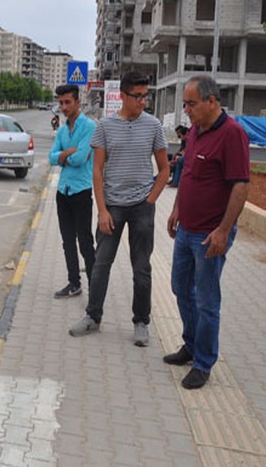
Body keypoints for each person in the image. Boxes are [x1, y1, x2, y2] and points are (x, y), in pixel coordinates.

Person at [69, 71, 169, 346]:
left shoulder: (154, 126)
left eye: (145, 96)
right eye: (137, 96)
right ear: (123, 96)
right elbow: (98, 169)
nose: (142, 102)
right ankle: (93, 316)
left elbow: (164, 171)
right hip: (111, 205)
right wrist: (102, 210)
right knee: (101, 264)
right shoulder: (105, 126)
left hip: (141, 207)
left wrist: (150, 201)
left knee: (141, 269)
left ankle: (140, 322)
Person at [165, 76, 249, 390]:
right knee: (179, 287)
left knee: (206, 300)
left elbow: (240, 186)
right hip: (186, 228)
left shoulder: (232, 135)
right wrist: (175, 209)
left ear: (211, 101)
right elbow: (187, 174)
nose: (186, 110)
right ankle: (191, 344)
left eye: (191, 104)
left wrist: (223, 231)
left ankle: (203, 363)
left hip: (210, 235)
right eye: (185, 103)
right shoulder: (196, 132)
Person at [49, 84, 96, 299]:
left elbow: (81, 158)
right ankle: (74, 283)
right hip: (63, 191)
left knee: (85, 241)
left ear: (78, 101)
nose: (64, 106)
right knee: (67, 240)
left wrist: (64, 155)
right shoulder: (61, 129)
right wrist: (67, 153)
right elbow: (51, 157)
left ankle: (95, 286)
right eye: (61, 103)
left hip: (81, 192)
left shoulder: (89, 127)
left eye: (67, 102)